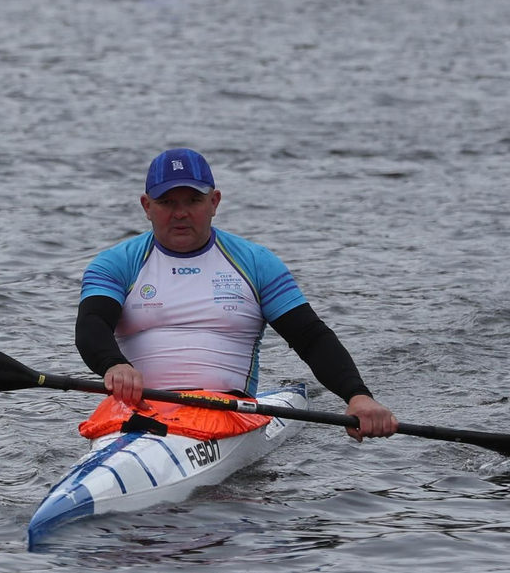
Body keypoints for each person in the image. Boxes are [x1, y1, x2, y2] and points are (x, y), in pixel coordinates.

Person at [74, 148, 398, 443]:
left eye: (193, 201)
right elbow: (92, 323)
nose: (180, 213)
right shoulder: (116, 262)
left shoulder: (255, 263)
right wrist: (113, 365)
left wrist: (357, 396)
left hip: (224, 414)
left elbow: (310, 337)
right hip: (134, 412)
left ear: (214, 202)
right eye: (167, 202)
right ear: (147, 206)